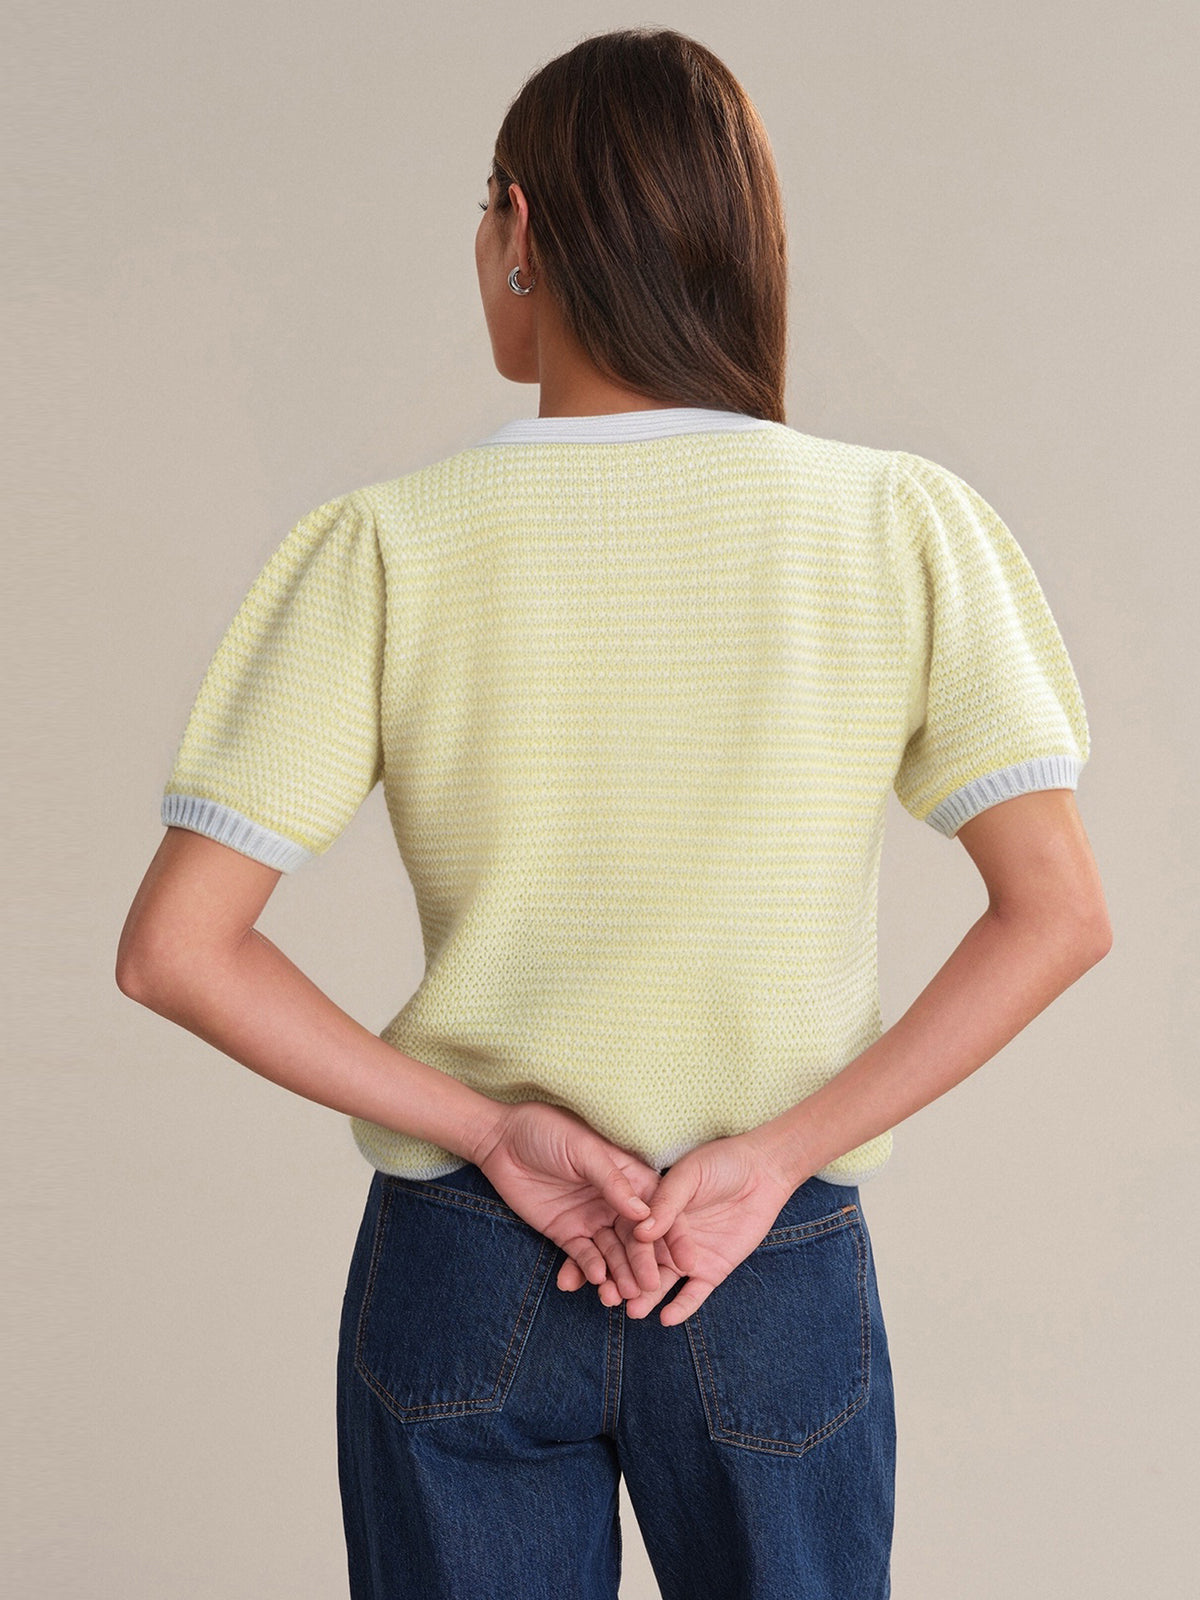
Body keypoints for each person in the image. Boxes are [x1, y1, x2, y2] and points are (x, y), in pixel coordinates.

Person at [116, 25, 1112, 1600]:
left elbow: (177, 950)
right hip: (766, 1269)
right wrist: (781, 1156)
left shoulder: (387, 545)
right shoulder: (905, 523)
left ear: (520, 228)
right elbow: (1061, 914)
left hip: (465, 1257)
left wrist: (489, 1129)